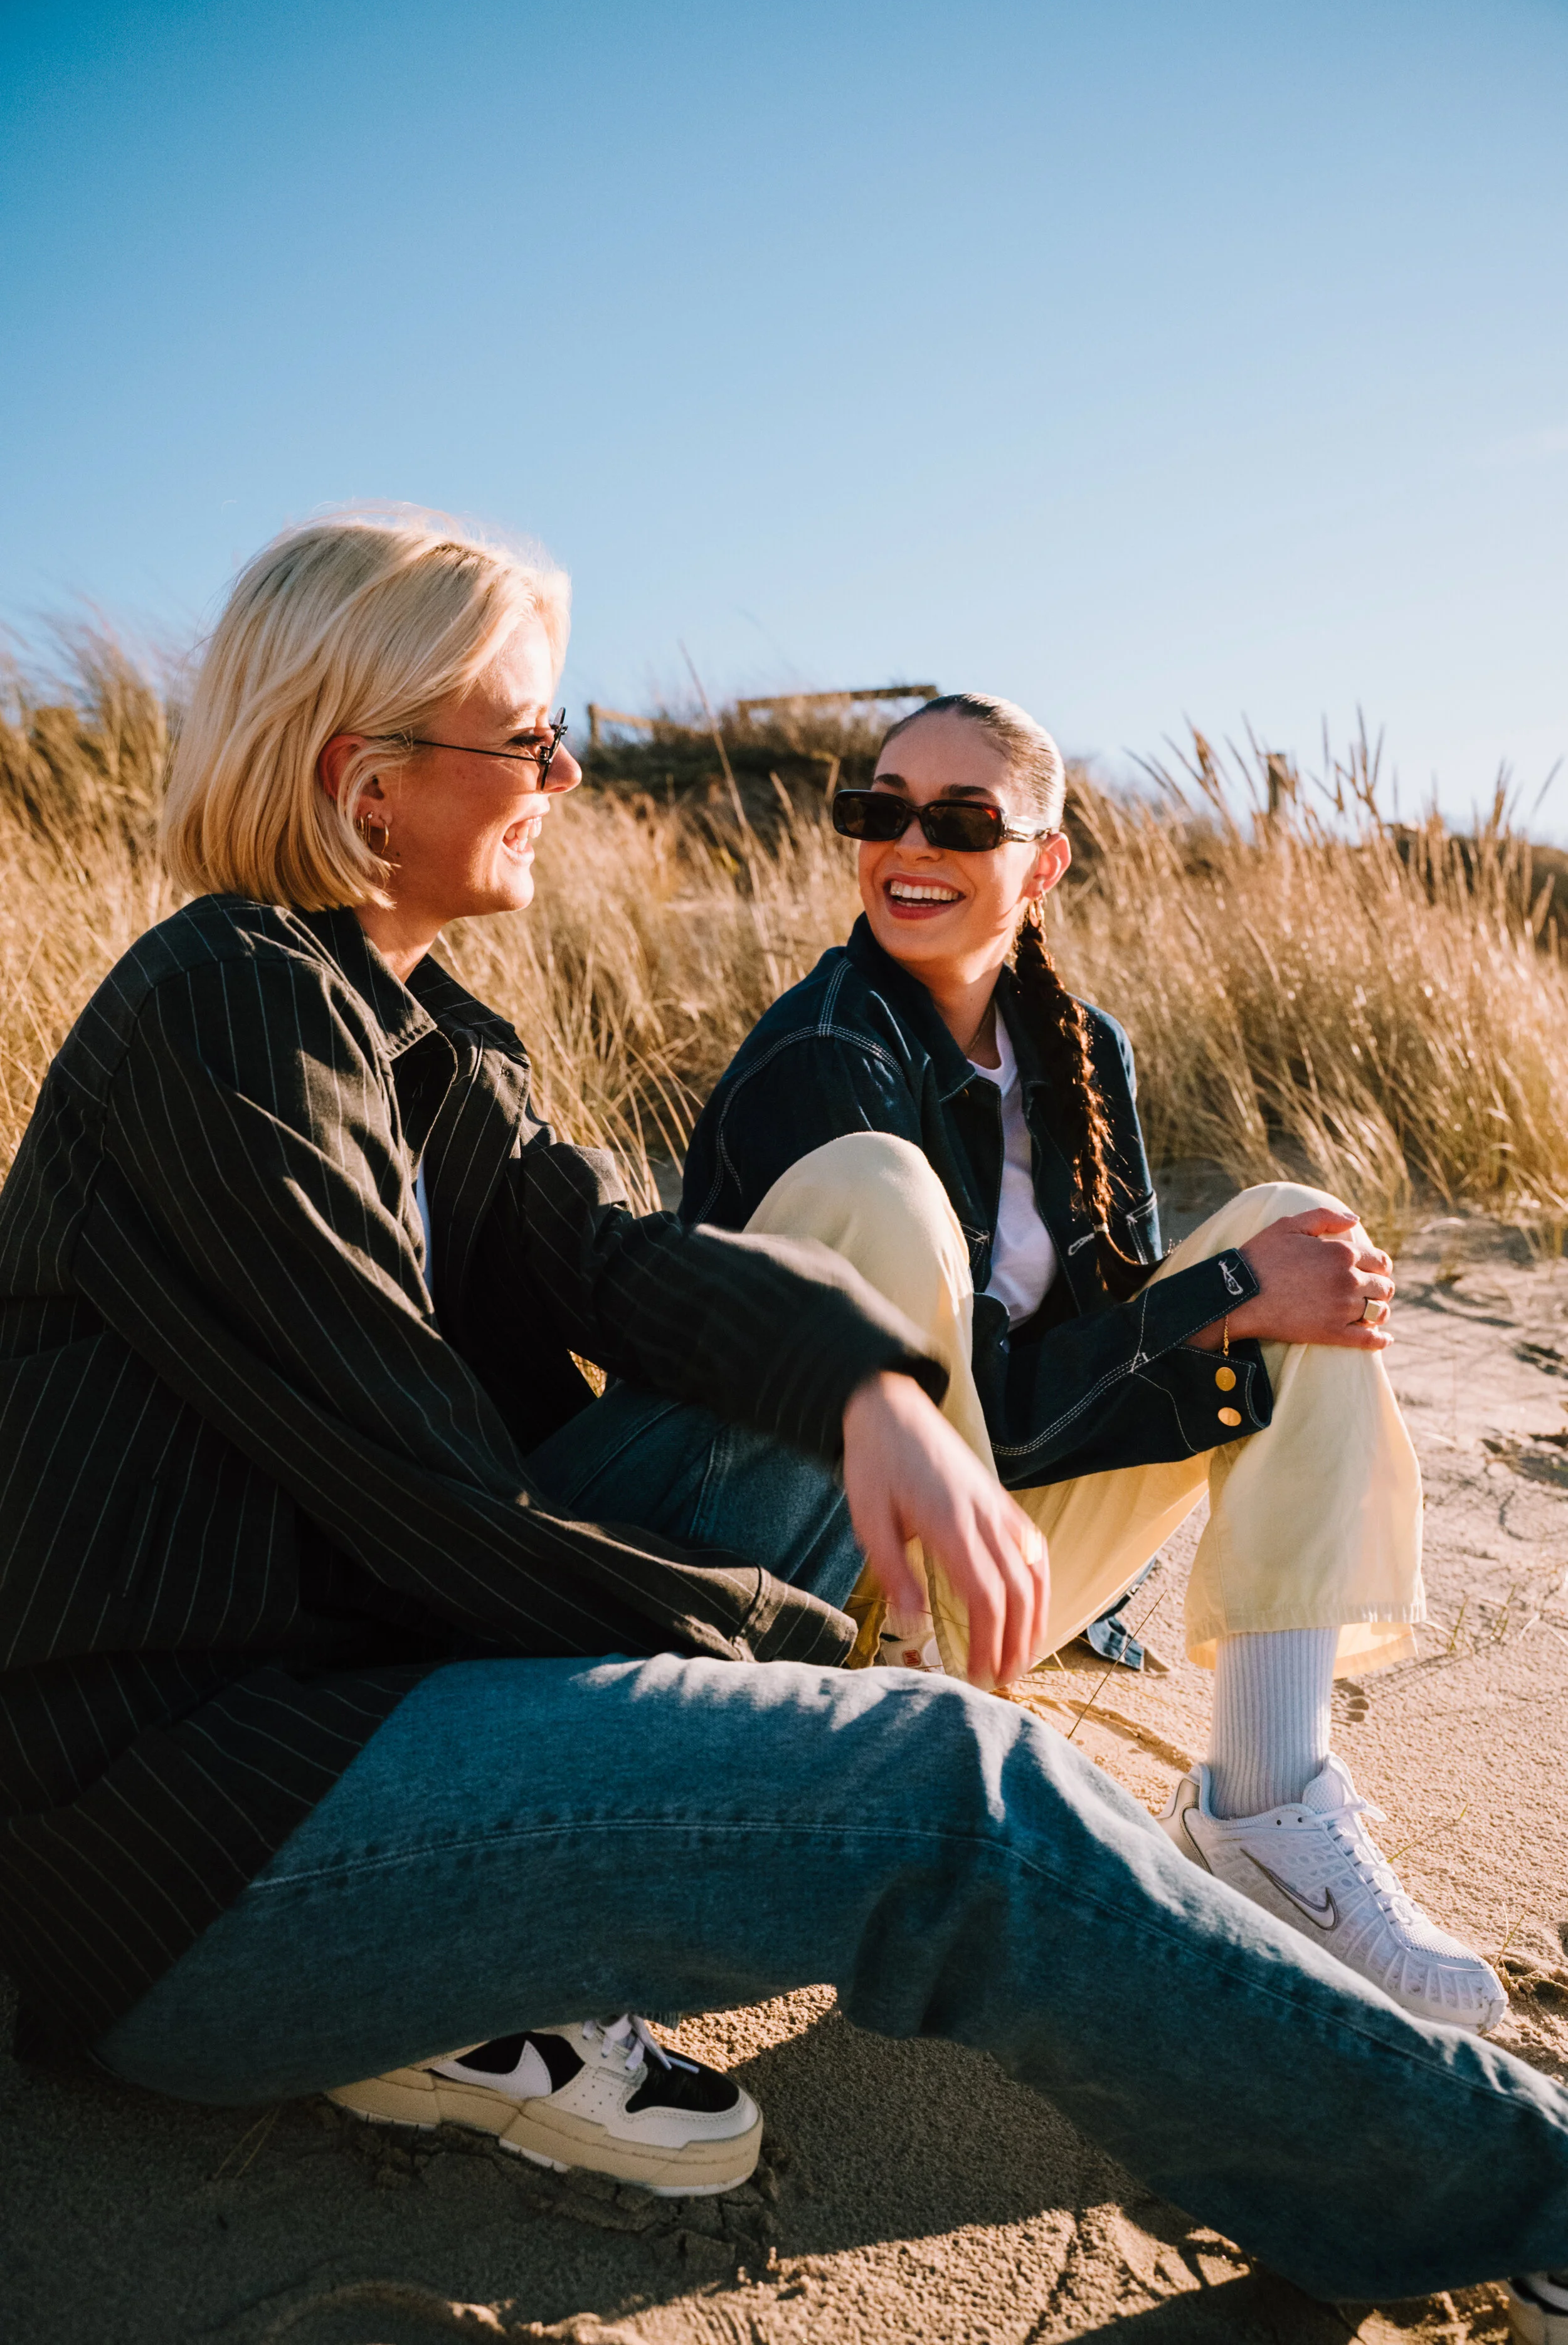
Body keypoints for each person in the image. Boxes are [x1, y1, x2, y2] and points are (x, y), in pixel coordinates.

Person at [3, 520, 1567, 2309]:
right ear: (366, 785)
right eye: (526, 737)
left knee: (824, 1410)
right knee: (952, 1785)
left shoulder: (436, 1039)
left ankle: (501, 1970)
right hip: (205, 1839)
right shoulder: (224, 1009)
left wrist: (869, 1393)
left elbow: (631, 1265)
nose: (566, 771)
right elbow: (425, 1506)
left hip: (378, 1702)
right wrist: (815, 1663)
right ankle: (1529, 2198)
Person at [681, 691, 1505, 2035]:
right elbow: (962, 1408)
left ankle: (1262, 1802)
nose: (907, 846)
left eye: (958, 819)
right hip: (815, 1593)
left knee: (1299, 1231)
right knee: (934, 1201)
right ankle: (906, 1763)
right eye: (876, 810)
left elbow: (1089, 1358)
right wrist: (1225, 1299)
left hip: (983, 1584)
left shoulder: (1082, 1054)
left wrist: (1244, 1284)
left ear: (1044, 858)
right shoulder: (823, 1058)